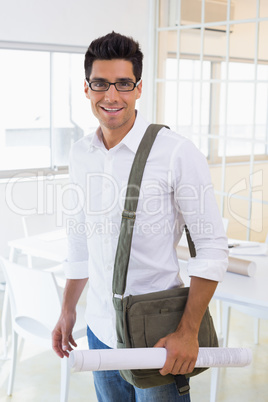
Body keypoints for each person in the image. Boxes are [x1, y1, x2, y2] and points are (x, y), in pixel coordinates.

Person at [52, 31, 228, 401]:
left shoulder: (176, 152)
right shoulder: (81, 153)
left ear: (139, 88)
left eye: (123, 84)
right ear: (87, 89)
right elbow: (80, 237)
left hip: (157, 334)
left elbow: (211, 247)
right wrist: (68, 309)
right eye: (100, 83)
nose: (111, 95)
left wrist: (188, 331)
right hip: (99, 331)